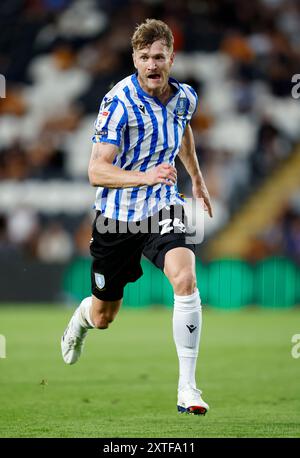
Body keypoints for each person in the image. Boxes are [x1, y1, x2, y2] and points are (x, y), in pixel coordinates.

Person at [61, 19, 213, 415]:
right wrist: (145, 176)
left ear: (171, 58)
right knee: (104, 314)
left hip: (163, 205)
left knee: (185, 277)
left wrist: (196, 179)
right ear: (134, 59)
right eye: (144, 57)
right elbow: (96, 171)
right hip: (116, 219)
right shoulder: (118, 102)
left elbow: (182, 130)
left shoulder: (185, 97)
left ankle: (188, 389)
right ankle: (80, 319)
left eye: (159, 56)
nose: (152, 64)